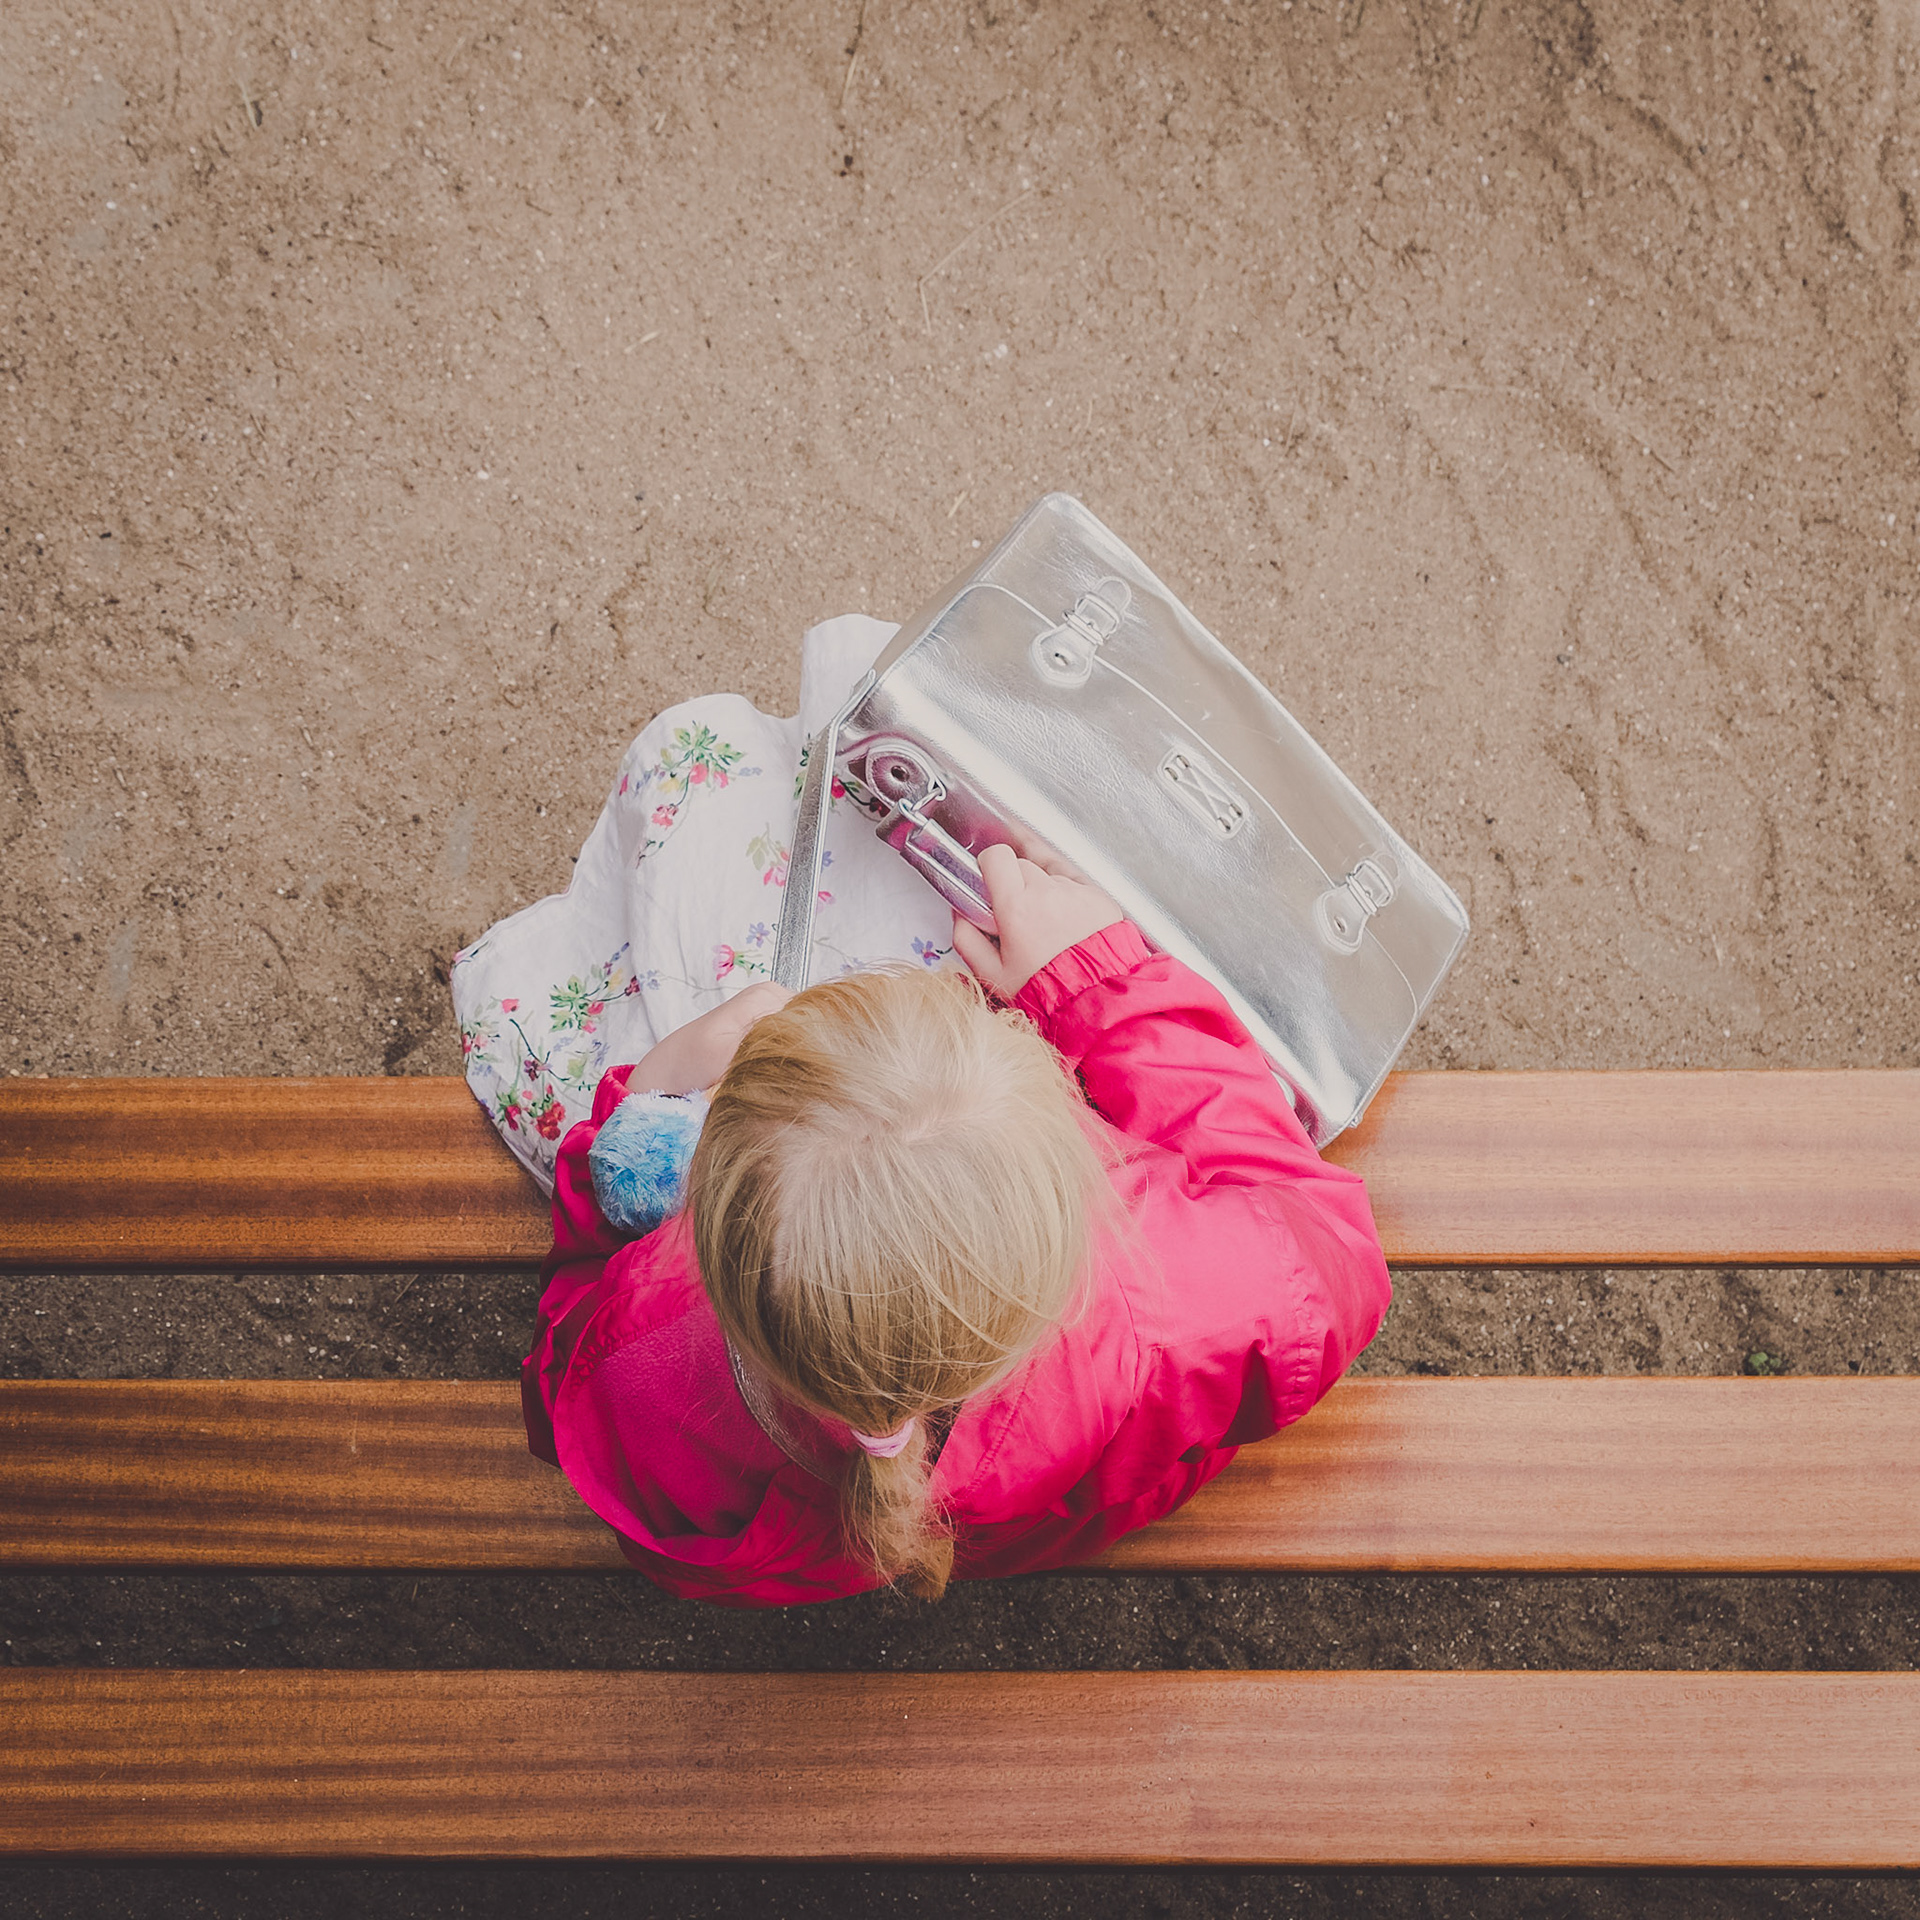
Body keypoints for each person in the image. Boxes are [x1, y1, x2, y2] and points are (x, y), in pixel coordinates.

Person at [458, 616, 1392, 1605]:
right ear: (1076, 1163)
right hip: (1044, 1499)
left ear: (715, 1206)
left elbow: (567, 1344)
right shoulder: (1173, 1296)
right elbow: (1324, 1249)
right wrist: (1096, 981)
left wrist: (645, 1101)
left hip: (817, 1506)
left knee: (711, 815)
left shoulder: (647, 1363)